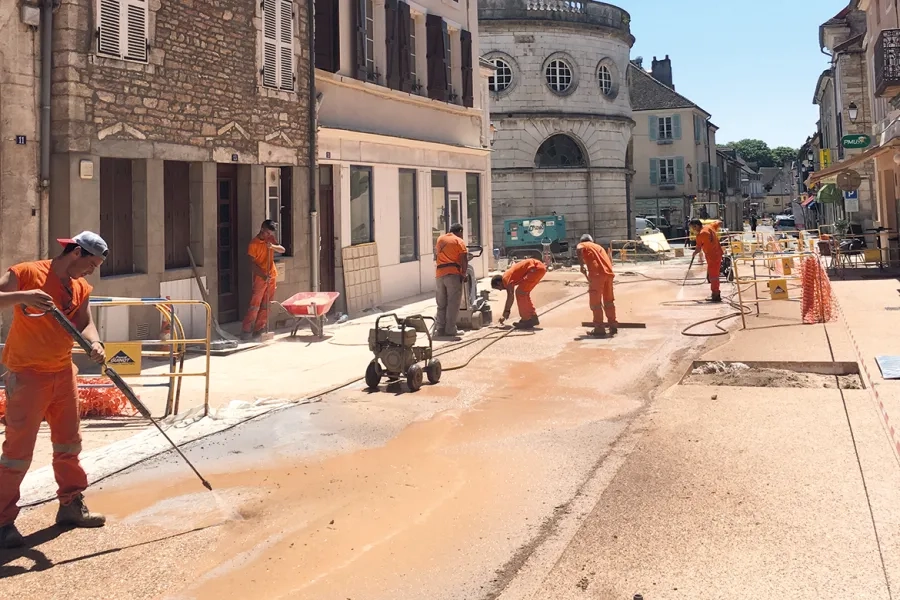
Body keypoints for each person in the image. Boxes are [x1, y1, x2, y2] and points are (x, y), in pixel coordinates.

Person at [0, 232, 109, 548]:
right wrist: (23, 297)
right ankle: (3, 522)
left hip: (63, 374)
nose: (92, 271)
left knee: (69, 444)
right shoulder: (26, 274)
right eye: (92, 263)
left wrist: (96, 343)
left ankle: (71, 505)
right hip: (28, 376)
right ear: (76, 253)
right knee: (18, 454)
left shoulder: (79, 288)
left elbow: (85, 322)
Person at [242, 220, 285, 340]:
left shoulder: (270, 240)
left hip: (272, 275)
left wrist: (272, 246)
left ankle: (259, 329)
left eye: (270, 233)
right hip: (261, 277)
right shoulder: (253, 244)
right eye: (267, 233)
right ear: (262, 229)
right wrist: (263, 275)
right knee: (255, 304)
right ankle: (246, 329)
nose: (268, 235)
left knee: (267, 303)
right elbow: (251, 264)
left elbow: (282, 249)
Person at [577, 234, 617, 337]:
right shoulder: (598, 247)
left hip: (597, 275)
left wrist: (581, 265)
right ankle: (613, 325)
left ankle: (599, 328)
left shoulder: (584, 244)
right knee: (608, 301)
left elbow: (579, 248)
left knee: (595, 303)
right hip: (609, 274)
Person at [491, 258, 547, 329]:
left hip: (535, 269)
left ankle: (526, 320)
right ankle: (532, 317)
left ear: (499, 283)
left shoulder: (506, 280)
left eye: (498, 288)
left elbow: (510, 297)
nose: (500, 290)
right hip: (539, 268)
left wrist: (505, 313)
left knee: (520, 293)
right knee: (524, 293)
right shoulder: (508, 276)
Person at [434, 223, 468, 338]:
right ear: (460, 231)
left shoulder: (440, 239)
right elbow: (464, 259)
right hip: (453, 274)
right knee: (453, 304)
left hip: (439, 275)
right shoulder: (459, 241)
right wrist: (463, 273)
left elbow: (437, 255)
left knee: (441, 304)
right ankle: (450, 330)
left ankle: (440, 329)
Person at [690, 219, 723, 303]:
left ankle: (716, 295)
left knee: (713, 276)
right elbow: (719, 222)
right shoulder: (710, 227)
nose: (693, 230)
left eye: (693, 228)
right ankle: (715, 293)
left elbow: (698, 248)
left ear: (696, 226)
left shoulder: (700, 235)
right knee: (713, 275)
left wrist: (694, 253)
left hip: (712, 257)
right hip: (717, 254)